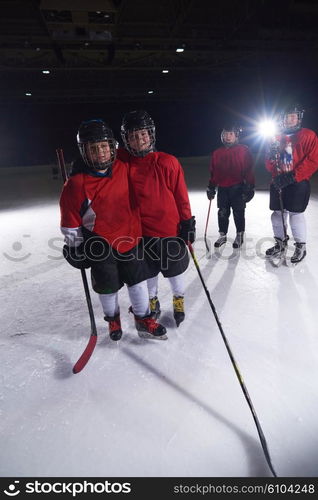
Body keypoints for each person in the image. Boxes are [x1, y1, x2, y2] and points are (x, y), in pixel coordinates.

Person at [59, 119, 167, 341]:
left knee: (138, 281)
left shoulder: (123, 167)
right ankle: (113, 320)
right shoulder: (76, 184)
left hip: (131, 237)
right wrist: (75, 247)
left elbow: (143, 163)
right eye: (93, 148)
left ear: (112, 146)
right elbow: (70, 221)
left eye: (104, 146)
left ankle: (143, 318)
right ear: (84, 152)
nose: (100, 152)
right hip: (100, 243)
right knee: (107, 287)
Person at [118, 110, 195, 327]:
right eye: (133, 136)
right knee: (147, 272)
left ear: (151, 135)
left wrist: (187, 221)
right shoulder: (124, 163)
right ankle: (152, 301)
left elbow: (181, 195)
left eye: (142, 134)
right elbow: (102, 164)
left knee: (174, 270)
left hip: (168, 230)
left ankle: (178, 298)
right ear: (126, 140)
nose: (139, 139)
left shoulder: (167, 162)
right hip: (140, 232)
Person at [265, 104, 318, 263]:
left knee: (295, 214)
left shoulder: (308, 135)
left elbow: (313, 160)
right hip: (278, 181)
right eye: (288, 116)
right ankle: (280, 243)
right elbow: (268, 164)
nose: (290, 119)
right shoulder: (276, 137)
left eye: (294, 116)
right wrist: (271, 155)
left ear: (299, 118)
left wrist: (292, 176)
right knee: (277, 215)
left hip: (297, 182)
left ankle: (300, 246)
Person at [206, 125, 255, 248]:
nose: (228, 137)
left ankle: (239, 235)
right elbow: (214, 172)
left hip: (237, 187)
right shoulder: (217, 153)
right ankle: (222, 235)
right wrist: (211, 186)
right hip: (223, 188)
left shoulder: (243, 150)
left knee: (238, 212)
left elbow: (249, 170)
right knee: (222, 212)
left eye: (231, 134)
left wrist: (250, 186)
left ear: (236, 136)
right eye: (226, 134)